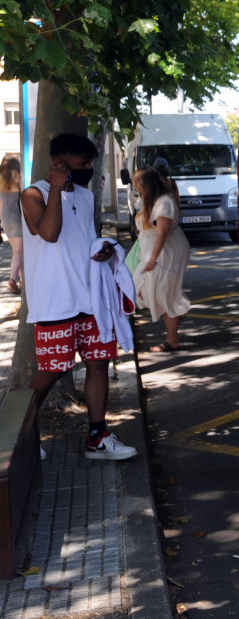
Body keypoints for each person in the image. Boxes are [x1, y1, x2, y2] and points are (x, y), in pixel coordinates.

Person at [21, 133, 137, 461]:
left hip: (90, 299)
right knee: (52, 370)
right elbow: (49, 233)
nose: (88, 168)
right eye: (81, 163)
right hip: (56, 301)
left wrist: (101, 249)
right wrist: (56, 187)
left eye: (90, 163)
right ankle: (20, 436)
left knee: (99, 363)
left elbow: (83, 239)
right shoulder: (33, 194)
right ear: (59, 163)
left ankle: (97, 438)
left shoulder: (86, 197)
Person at [131, 166, 192, 352]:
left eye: (138, 186)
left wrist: (153, 259)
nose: (136, 189)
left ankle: (172, 340)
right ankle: (178, 312)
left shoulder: (164, 203)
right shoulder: (152, 200)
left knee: (163, 293)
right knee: (144, 290)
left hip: (165, 253)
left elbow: (162, 233)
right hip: (154, 252)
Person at [0, 156, 24, 293]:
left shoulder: (1, 183)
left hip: (6, 219)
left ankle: (22, 281)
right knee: (19, 252)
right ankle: (12, 279)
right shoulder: (18, 182)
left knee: (18, 251)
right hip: (17, 218)